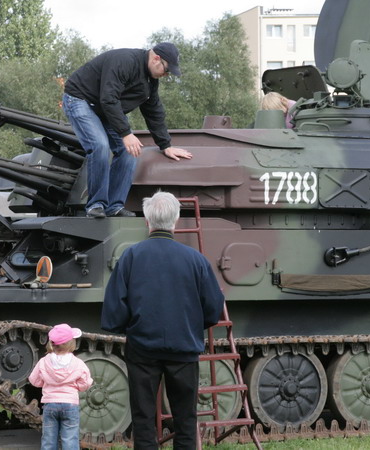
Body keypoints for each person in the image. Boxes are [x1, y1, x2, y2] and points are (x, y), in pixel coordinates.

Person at [101, 191, 225, 449]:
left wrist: (131, 328)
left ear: (147, 221)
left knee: (144, 417)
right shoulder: (196, 260)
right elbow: (213, 308)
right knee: (186, 418)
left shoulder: (131, 256)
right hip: (184, 349)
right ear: (176, 220)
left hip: (142, 348)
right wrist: (190, 326)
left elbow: (115, 306)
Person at [62, 42, 193, 218]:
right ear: (156, 59)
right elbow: (109, 98)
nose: (166, 75)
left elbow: (153, 111)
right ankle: (96, 205)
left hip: (104, 107)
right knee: (100, 145)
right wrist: (125, 133)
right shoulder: (124, 61)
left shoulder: (150, 81)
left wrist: (165, 145)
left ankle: (114, 206)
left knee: (130, 151)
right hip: (80, 99)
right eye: (166, 70)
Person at [29, 323, 93, 450]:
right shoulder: (78, 363)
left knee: (48, 439)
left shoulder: (44, 361)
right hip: (70, 405)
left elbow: (33, 380)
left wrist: (45, 382)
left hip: (50, 404)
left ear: (52, 343)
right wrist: (76, 385)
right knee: (70, 439)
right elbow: (85, 383)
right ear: (71, 343)